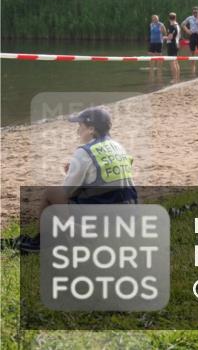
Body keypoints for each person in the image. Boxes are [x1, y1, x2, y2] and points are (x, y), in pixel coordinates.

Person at [17, 106, 136, 252]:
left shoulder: (84, 152)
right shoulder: (119, 146)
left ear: (91, 129)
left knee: (51, 193)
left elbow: (68, 192)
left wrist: (69, 173)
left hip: (102, 219)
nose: (77, 131)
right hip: (127, 215)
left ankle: (40, 244)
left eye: (80, 126)